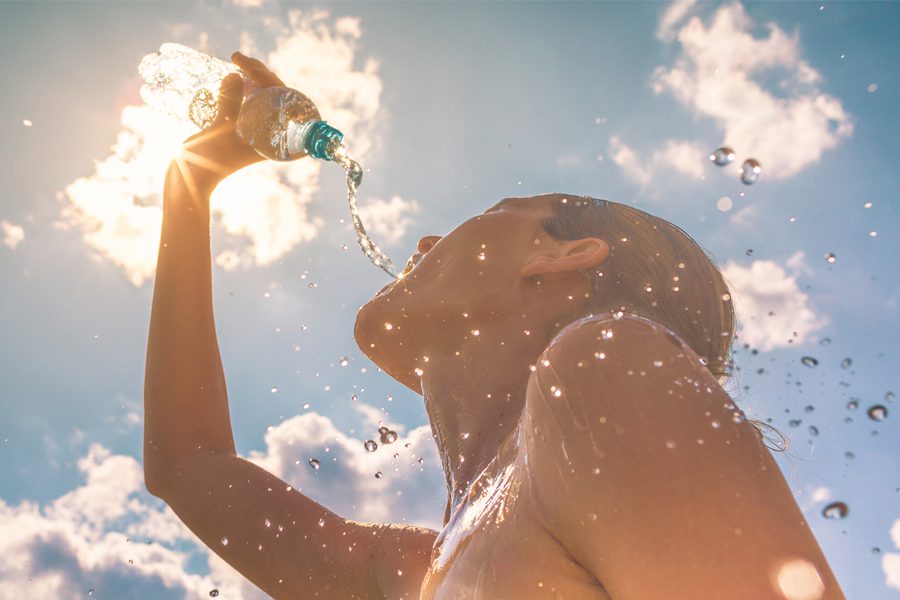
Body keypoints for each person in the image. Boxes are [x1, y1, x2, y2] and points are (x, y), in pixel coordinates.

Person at [143, 53, 846, 600]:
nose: (423, 243)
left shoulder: (605, 368)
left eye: (497, 207)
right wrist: (190, 184)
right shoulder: (426, 566)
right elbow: (188, 465)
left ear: (563, 256)